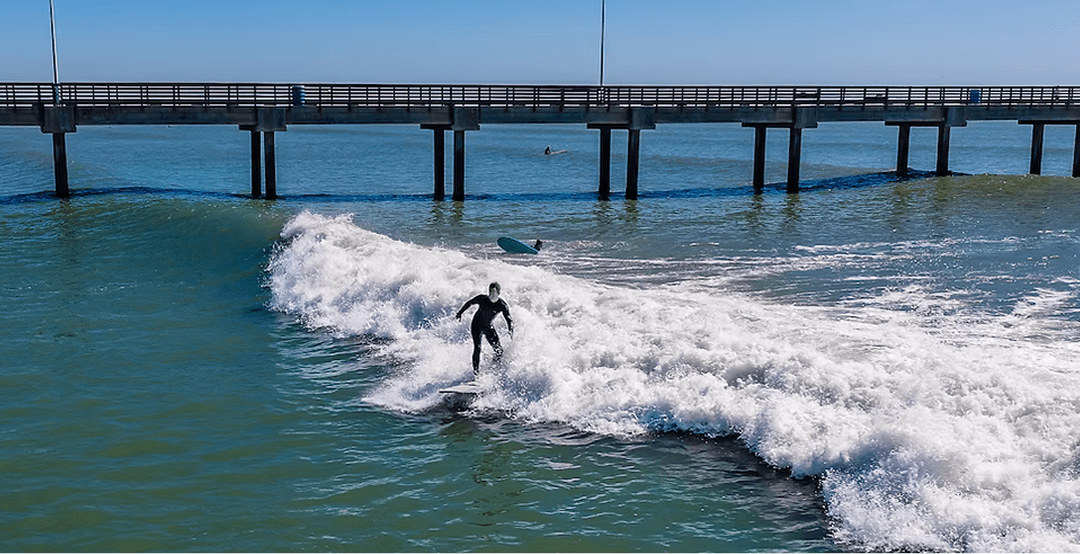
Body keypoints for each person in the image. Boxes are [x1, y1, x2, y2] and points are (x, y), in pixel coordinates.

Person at [456, 282, 513, 377]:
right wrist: (460, 312)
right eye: (491, 292)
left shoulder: (502, 305)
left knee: (499, 351)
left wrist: (510, 329)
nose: (492, 294)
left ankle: (494, 369)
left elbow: (508, 318)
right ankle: (476, 374)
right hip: (476, 326)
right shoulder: (482, 299)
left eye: (495, 292)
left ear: (499, 292)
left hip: (488, 327)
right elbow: (469, 302)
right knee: (477, 348)